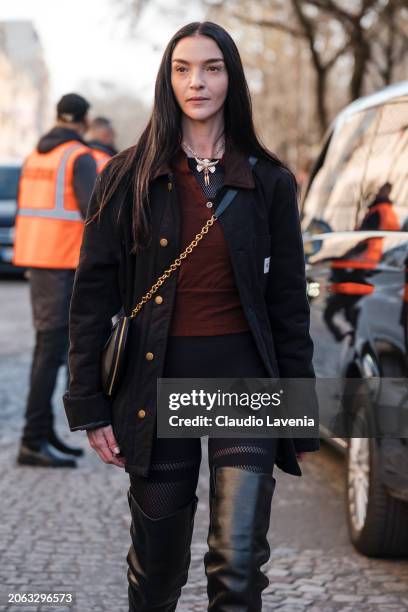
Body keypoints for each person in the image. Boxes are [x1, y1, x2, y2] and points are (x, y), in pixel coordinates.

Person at [63, 22, 319, 611]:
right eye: (183, 68)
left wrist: (299, 412)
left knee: (239, 567)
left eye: (211, 67)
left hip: (244, 386)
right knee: (157, 570)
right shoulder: (126, 177)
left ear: (231, 77)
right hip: (157, 388)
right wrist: (89, 404)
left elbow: (287, 302)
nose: (197, 81)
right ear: (167, 78)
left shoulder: (268, 179)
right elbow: (92, 297)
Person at [14, 93, 97, 468]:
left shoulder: (36, 155)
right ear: (84, 120)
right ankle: (32, 441)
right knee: (50, 353)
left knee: (44, 350)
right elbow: (94, 213)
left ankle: (43, 433)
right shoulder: (77, 156)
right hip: (63, 263)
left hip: (37, 261)